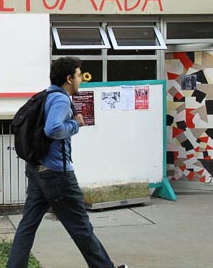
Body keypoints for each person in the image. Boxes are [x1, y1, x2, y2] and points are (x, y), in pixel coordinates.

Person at [7, 57, 127, 268]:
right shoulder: (61, 99)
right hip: (57, 175)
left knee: (28, 224)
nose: (81, 80)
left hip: (37, 169)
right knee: (81, 227)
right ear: (69, 78)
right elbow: (52, 129)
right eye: (79, 76)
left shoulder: (45, 95)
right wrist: (75, 124)